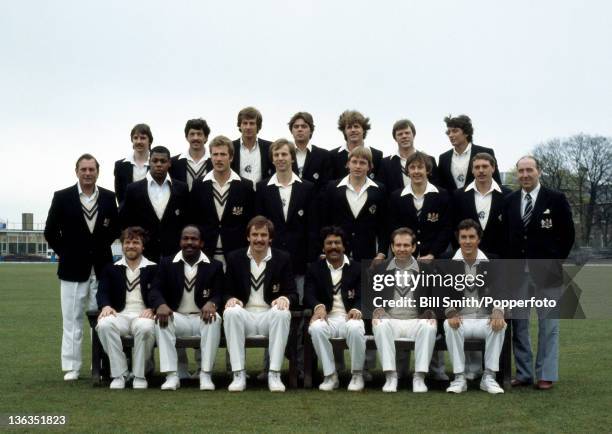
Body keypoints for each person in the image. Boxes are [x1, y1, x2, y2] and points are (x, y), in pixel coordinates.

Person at [44, 153, 119, 380]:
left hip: (102, 269)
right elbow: (50, 231)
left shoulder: (108, 197)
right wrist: (67, 252)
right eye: (83, 169)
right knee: (72, 319)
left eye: (91, 169)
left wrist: (99, 247)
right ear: (76, 171)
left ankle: (100, 364)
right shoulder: (62, 197)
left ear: (98, 172)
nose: (87, 173)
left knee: (102, 320)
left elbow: (115, 228)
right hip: (72, 270)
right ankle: (72, 367)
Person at [504, 156, 574, 390]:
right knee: (519, 325)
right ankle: (524, 373)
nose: (525, 175)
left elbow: (568, 235)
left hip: (547, 272)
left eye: (529, 170)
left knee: (549, 325)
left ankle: (546, 374)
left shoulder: (556, 199)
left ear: (538, 172)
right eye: (521, 171)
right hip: (517, 273)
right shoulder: (510, 200)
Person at [222, 216, 298, 392]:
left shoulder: (282, 258)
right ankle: (238, 374)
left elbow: (293, 293)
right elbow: (226, 291)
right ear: (248, 237)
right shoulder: (234, 258)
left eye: (264, 235)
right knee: (231, 311)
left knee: (282, 312)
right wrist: (230, 299)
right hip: (244, 316)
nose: (259, 239)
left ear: (270, 238)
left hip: (269, 317)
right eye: (255, 234)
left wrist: (285, 299)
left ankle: (274, 373)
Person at [149, 225, 225, 390]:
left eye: (194, 239)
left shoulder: (214, 266)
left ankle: (205, 374)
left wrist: (212, 303)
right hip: (178, 318)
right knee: (162, 319)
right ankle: (172, 375)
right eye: (186, 238)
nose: (189, 242)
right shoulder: (167, 263)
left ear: (202, 243)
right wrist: (160, 304)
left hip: (201, 317)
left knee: (214, 318)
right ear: (180, 241)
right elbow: (155, 290)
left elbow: (220, 293)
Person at [442, 219, 507, 394]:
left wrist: (498, 311)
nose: (468, 241)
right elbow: (439, 292)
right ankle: (459, 377)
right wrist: (450, 312)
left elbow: (501, 290)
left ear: (479, 239)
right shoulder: (446, 260)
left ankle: (489, 377)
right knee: (449, 325)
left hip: (483, 318)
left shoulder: (493, 261)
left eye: (472, 237)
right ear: (458, 239)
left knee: (500, 325)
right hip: (460, 318)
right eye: (463, 237)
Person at [370, 228, 438, 393]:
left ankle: (419, 377)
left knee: (429, 326)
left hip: (415, 320)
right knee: (380, 323)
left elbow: (438, 298)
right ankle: (391, 376)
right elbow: (371, 297)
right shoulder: (380, 270)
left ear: (413, 247)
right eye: (398, 245)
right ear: (392, 247)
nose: (401, 249)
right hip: (391, 319)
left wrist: (431, 311)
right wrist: (377, 309)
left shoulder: (427, 270)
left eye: (406, 245)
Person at [304, 226, 365, 391]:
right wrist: (318, 307)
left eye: (337, 243)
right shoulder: (314, 268)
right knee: (315, 328)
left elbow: (365, 294)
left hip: (349, 317)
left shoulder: (358, 268)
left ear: (344, 246)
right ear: (323, 247)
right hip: (327, 318)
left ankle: (357, 375)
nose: (333, 246)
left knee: (355, 327)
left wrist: (357, 309)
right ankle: (330, 376)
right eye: (329, 243)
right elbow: (308, 294)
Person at [96, 226, 157, 389]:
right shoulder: (111, 268)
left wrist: (153, 308)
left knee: (145, 328)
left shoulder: (154, 268)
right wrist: (106, 305)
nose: (131, 246)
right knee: (104, 324)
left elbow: (160, 293)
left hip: (143, 315)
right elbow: (102, 292)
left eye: (135, 242)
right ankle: (120, 374)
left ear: (142, 246)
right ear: (122, 245)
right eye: (127, 242)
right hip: (120, 315)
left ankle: (140, 374)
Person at [256, 138, 318, 296]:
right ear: (272, 159)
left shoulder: (307, 187)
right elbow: (260, 224)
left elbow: (312, 227)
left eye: (284, 154)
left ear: (292, 158)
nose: (280, 158)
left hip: (300, 257)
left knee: (299, 303)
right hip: (271, 255)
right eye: (276, 155)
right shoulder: (262, 187)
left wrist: (311, 258)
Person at [189, 135, 254, 267]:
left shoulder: (245, 186)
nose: (218, 159)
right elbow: (193, 219)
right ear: (210, 157)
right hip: (205, 254)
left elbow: (250, 222)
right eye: (215, 154)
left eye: (223, 154)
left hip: (236, 255)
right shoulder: (199, 185)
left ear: (231, 157)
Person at [119, 146, 189, 262]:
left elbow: (186, 221)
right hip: (144, 254)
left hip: (174, 254)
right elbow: (126, 222)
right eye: (155, 161)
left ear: (169, 163)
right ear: (149, 162)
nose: (159, 164)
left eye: (163, 161)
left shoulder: (181, 188)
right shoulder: (133, 189)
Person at [321, 146, 388, 262]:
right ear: (347, 164)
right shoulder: (332, 187)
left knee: (365, 281)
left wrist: (381, 253)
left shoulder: (379, 190)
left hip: (368, 254)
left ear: (369, 166)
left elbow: (384, 225)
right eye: (354, 162)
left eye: (362, 163)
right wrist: (322, 250)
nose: (358, 166)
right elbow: (325, 221)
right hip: (337, 253)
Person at [387, 151, 452, 259]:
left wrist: (432, 254)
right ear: (407, 171)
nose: (416, 171)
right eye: (412, 167)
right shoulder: (396, 197)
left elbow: (446, 229)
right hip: (404, 258)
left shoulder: (442, 195)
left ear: (428, 170)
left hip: (435, 258)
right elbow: (393, 228)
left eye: (420, 167)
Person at [451, 153, 510, 256]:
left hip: (500, 258)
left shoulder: (508, 195)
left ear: (493, 168)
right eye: (477, 167)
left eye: (485, 166)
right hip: (467, 257)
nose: (481, 170)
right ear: (472, 171)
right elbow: (454, 227)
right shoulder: (458, 195)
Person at [438, 114, 501, 193]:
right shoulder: (444, 158)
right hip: (451, 204)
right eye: (449, 132)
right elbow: (441, 187)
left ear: (466, 133)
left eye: (455, 131)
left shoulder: (486, 152)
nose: (450, 135)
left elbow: (496, 183)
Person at [376, 119, 439, 193]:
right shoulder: (385, 163)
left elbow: (437, 188)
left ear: (413, 135)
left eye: (407, 133)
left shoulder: (429, 160)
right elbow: (382, 191)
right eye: (400, 134)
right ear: (395, 138)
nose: (404, 136)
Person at [330, 110, 383, 180]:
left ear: (363, 130)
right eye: (349, 127)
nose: (353, 130)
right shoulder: (333, 155)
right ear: (344, 131)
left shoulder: (376, 155)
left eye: (356, 126)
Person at [288, 111, 332, 191]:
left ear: (311, 130)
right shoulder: (284, 154)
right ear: (291, 131)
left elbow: (326, 187)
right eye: (296, 126)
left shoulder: (324, 156)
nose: (300, 129)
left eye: (304, 126)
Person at [231, 106, 274, 185]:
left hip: (262, 194)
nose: (248, 127)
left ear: (258, 126)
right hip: (239, 195)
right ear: (240, 125)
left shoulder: (269, 147)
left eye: (252, 123)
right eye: (245, 123)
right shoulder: (231, 147)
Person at [169, 118, 212, 191]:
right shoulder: (174, 163)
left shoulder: (214, 161)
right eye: (192, 134)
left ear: (206, 137)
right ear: (186, 137)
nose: (195, 138)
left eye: (199, 134)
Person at [114, 123, 152, 205]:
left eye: (143, 138)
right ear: (132, 140)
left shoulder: (158, 162)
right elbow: (119, 195)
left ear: (149, 141)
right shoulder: (120, 165)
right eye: (135, 138)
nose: (138, 141)